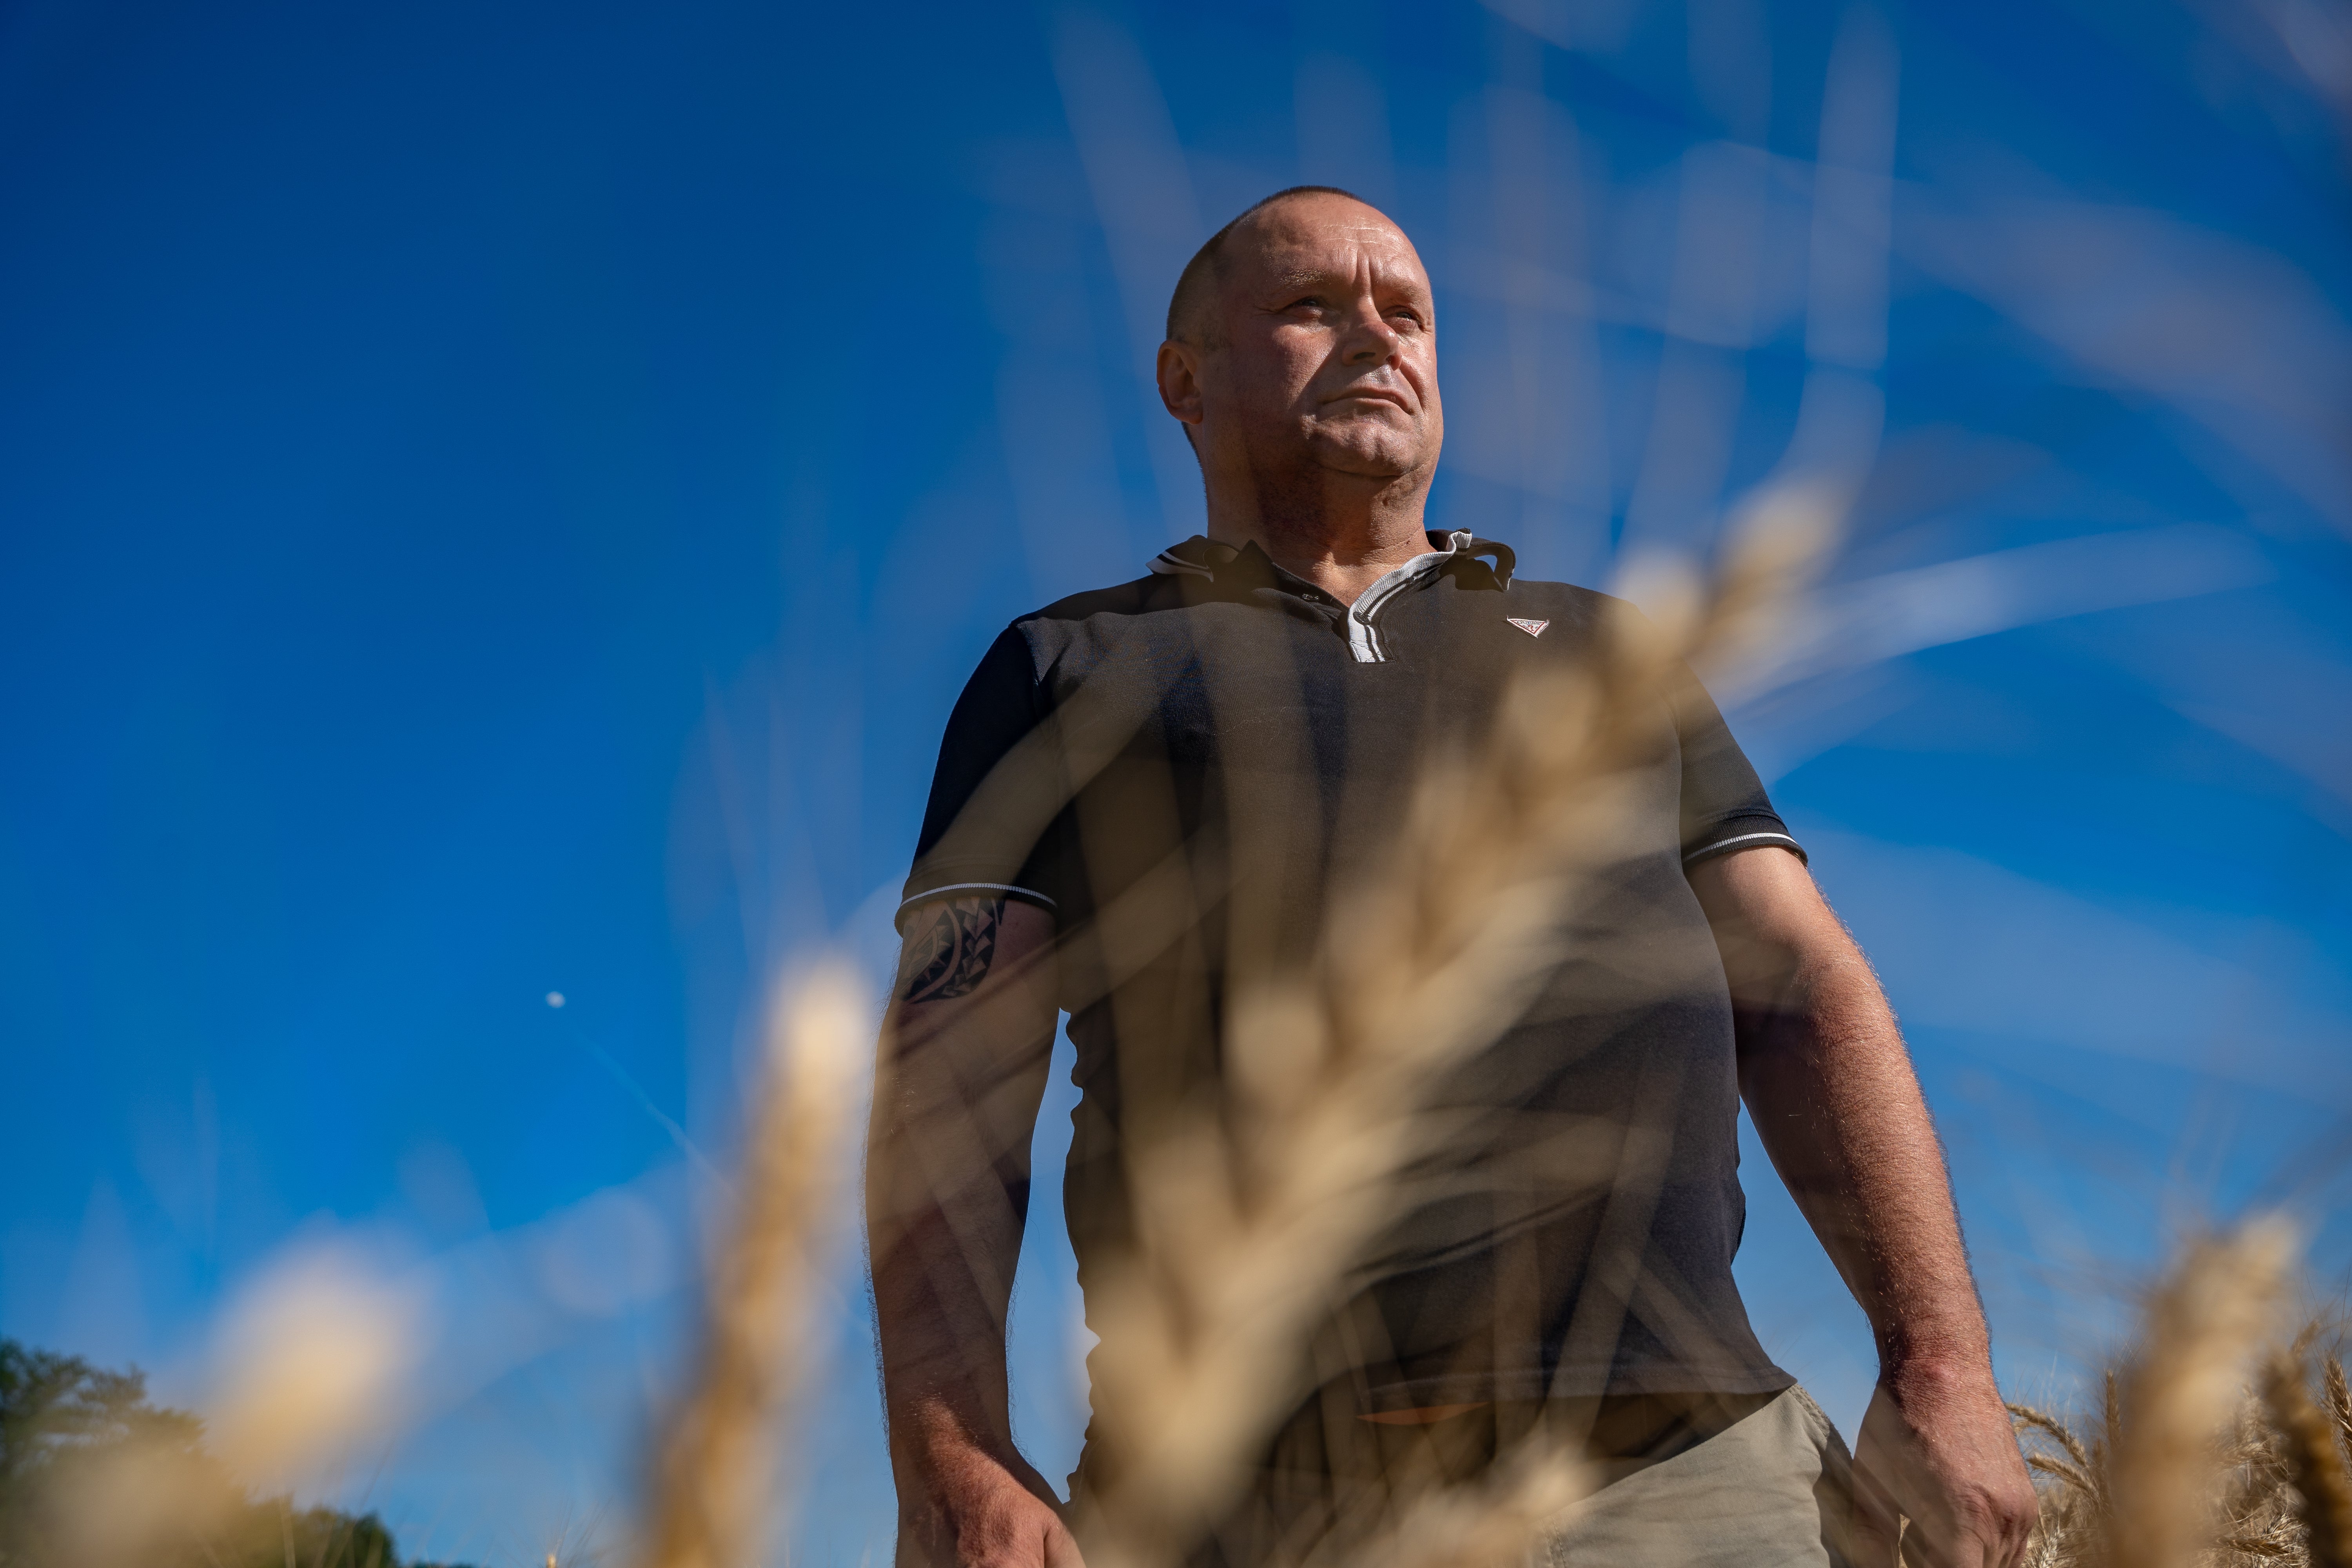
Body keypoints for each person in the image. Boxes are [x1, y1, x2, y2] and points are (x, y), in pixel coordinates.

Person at [865, 186, 2036, 1568]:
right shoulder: (1066, 665)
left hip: (1689, 1474)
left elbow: (1802, 981)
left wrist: (1944, 1368)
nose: (1379, 336)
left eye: (1408, 312)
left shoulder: (1611, 650)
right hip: (1244, 1498)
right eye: (1313, 306)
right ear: (1185, 379)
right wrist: (949, 1448)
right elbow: (951, 1083)